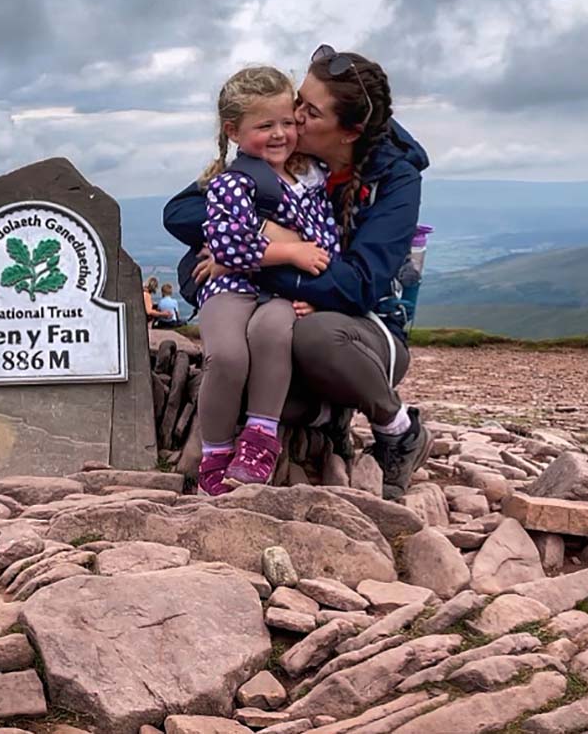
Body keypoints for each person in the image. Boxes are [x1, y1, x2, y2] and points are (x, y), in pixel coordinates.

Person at [164, 46, 431, 500]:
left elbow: (358, 287)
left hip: (365, 333)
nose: (294, 115)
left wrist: (245, 257)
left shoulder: (394, 181)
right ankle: (327, 420)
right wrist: (270, 237)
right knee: (245, 373)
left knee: (314, 336)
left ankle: (398, 428)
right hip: (292, 309)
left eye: (309, 111)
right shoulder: (281, 161)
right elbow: (184, 212)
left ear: (348, 132)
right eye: (297, 101)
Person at [191, 66, 341, 496]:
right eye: (265, 126)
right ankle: (215, 452)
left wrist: (320, 294)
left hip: (281, 292)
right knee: (227, 357)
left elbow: (327, 243)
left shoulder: (311, 180)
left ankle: (261, 437)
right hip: (229, 288)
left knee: (273, 332)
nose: (279, 134)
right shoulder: (231, 182)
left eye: (287, 123)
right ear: (233, 131)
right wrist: (290, 251)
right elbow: (226, 247)